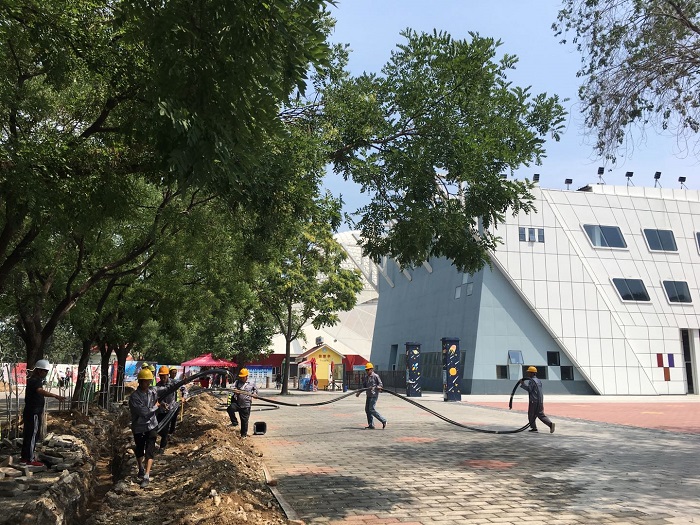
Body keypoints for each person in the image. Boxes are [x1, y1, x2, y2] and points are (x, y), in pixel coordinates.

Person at [20, 359, 67, 466]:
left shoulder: (33, 380)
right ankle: (30, 459)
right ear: (39, 370)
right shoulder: (36, 381)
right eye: (45, 371)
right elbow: (40, 391)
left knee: (28, 434)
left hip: (30, 411)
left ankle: (24, 458)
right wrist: (55, 395)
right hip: (34, 412)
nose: (46, 373)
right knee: (33, 435)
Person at [129, 367, 160, 488]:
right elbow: (143, 412)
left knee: (150, 450)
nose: (147, 384)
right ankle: (141, 468)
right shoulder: (134, 397)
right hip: (139, 427)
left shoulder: (152, 393)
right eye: (145, 381)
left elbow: (162, 392)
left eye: (149, 381)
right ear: (140, 382)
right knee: (140, 449)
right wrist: (156, 407)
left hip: (152, 425)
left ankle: (147, 475)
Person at [519, 366, 555, 433]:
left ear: (532, 373)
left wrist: (523, 384)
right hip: (540, 400)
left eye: (529, 372)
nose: (528, 374)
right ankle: (550, 424)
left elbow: (529, 389)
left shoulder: (531, 381)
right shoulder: (538, 380)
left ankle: (534, 427)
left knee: (531, 414)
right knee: (540, 414)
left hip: (533, 401)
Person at [227, 368, 258, 438]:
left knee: (244, 421)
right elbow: (231, 388)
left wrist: (255, 395)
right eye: (241, 377)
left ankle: (243, 435)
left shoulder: (252, 383)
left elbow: (255, 391)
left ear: (246, 376)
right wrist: (235, 390)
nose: (241, 378)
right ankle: (234, 422)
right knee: (230, 409)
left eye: (243, 377)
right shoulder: (237, 382)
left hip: (246, 405)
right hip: (237, 403)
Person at [355, 362, 387, 430]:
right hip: (369, 395)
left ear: (371, 369)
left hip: (374, 395)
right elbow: (364, 386)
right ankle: (371, 425)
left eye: (368, 370)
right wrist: (359, 392)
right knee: (367, 410)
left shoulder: (375, 376)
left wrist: (378, 387)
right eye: (366, 370)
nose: (367, 371)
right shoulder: (366, 377)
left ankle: (383, 420)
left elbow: (380, 384)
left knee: (371, 409)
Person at [155, 366, 176, 454]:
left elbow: (183, 388)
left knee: (166, 429)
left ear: (167, 375)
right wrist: (162, 403)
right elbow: (156, 397)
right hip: (160, 411)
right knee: (158, 428)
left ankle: (162, 447)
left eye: (164, 376)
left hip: (170, 410)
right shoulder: (158, 385)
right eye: (161, 376)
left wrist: (184, 396)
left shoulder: (173, 383)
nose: (162, 378)